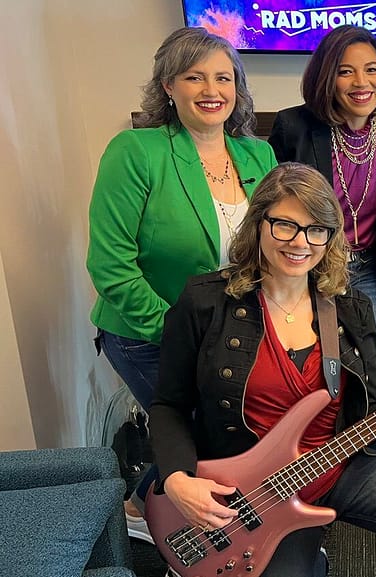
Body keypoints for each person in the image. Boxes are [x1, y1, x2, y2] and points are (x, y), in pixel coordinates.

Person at [148, 162, 376, 577]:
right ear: (258, 224)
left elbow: (375, 412)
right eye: (285, 226)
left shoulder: (350, 310)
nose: (301, 243)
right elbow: (168, 404)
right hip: (253, 496)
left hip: (340, 464)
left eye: (317, 230)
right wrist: (177, 480)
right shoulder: (205, 303)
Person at [87, 26, 276, 543]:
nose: (211, 89)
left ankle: (142, 502)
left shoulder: (257, 155)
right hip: (146, 331)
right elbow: (111, 266)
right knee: (198, 430)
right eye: (194, 77)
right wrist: (181, 337)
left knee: (225, 427)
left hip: (228, 328)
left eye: (223, 76)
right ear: (168, 85)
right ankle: (161, 520)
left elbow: (272, 245)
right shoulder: (136, 150)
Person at [269, 25, 376, 392]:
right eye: (346, 71)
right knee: (317, 361)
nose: (361, 81)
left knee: (372, 360)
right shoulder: (293, 126)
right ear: (326, 76)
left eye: (372, 69)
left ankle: (373, 442)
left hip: (370, 267)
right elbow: (272, 205)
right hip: (312, 262)